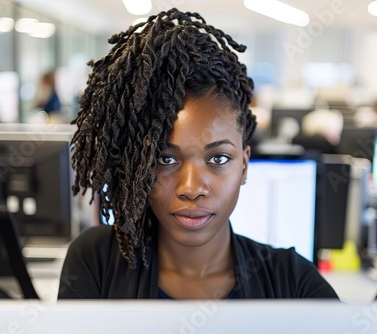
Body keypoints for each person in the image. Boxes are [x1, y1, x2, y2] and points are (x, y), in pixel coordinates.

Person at [58, 8, 338, 300]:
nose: (191, 189)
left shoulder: (293, 282)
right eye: (166, 159)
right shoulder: (97, 262)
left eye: (218, 159)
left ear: (244, 165)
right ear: (137, 169)